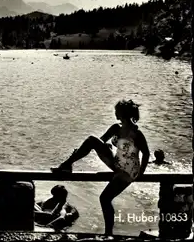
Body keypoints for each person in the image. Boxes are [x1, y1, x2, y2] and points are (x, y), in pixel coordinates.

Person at [51, 100, 150, 235]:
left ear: (123, 113)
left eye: (117, 111)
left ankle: (108, 233)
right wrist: (105, 146)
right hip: (117, 164)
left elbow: (146, 153)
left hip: (128, 171)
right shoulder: (116, 128)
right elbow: (101, 140)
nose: (115, 113)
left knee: (105, 198)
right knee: (92, 140)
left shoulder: (136, 134)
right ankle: (67, 164)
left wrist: (141, 172)